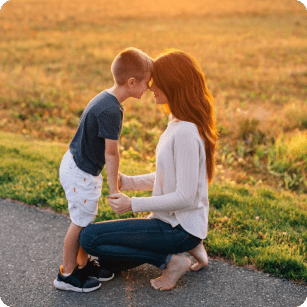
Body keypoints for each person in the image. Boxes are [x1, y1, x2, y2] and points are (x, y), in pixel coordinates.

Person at [79, 49, 218, 291]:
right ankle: (194, 247)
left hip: (176, 227)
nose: (151, 87)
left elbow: (185, 197)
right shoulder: (177, 120)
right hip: (177, 223)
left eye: (156, 82)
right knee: (108, 262)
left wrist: (132, 204)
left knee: (90, 239)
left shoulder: (185, 131)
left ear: (173, 85)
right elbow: (169, 177)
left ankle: (172, 260)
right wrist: (128, 181)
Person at [53, 47, 153, 292]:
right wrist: (114, 189)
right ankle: (66, 275)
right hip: (81, 172)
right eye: (146, 83)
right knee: (79, 223)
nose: (149, 88)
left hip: (76, 164)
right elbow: (111, 153)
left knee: (85, 220)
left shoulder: (105, 98)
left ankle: (82, 265)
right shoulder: (112, 110)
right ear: (132, 82)